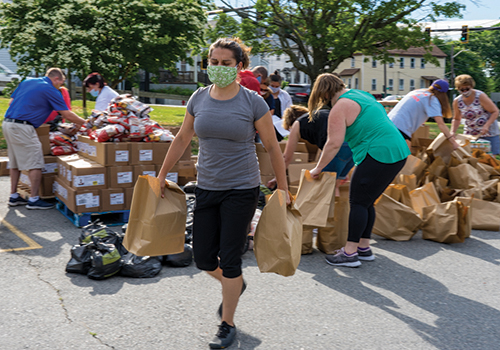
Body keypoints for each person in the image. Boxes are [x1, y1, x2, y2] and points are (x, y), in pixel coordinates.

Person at [157, 37, 289, 349]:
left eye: (225, 63)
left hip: (241, 189)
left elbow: (272, 146)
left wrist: (283, 189)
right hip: (207, 188)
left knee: (229, 257)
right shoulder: (198, 98)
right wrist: (162, 175)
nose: (218, 68)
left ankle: (227, 323)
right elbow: (182, 138)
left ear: (239, 66)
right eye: (213, 62)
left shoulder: (252, 102)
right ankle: (236, 285)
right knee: (203, 258)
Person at [309, 73, 410, 267]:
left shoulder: (339, 107)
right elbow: (369, 128)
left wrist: (318, 168)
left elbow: (333, 144)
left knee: (357, 202)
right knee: (366, 201)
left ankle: (349, 253)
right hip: (397, 151)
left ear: (323, 94)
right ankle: (364, 248)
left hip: (379, 153)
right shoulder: (361, 94)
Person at [3, 68, 86, 209]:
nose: (61, 86)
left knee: (15, 162)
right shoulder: (51, 89)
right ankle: (34, 199)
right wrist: (87, 123)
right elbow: (67, 114)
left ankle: (14, 196)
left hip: (8, 124)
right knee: (35, 161)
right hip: (24, 127)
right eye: (62, 82)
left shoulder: (27, 81)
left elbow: (12, 103)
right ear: (56, 79)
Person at [388, 79, 459, 150]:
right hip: (401, 129)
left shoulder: (417, 91)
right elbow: (441, 124)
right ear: (444, 94)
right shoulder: (432, 99)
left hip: (387, 123)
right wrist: (453, 142)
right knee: (404, 156)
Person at [452, 74, 500, 155]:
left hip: (488, 133)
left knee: (489, 160)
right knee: (471, 158)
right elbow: (456, 118)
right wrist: (452, 132)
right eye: (461, 90)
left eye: (467, 88)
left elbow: (495, 111)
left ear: (471, 86)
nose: (465, 91)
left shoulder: (480, 96)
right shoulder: (457, 101)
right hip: (470, 135)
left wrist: (486, 126)